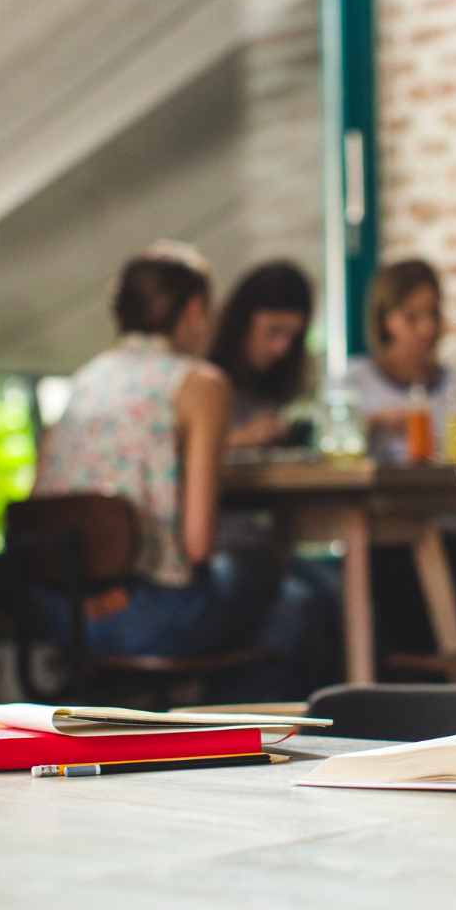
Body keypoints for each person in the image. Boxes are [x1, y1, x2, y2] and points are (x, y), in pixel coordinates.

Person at [32, 242, 331, 697]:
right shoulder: (199, 382)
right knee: (270, 567)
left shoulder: (84, 381)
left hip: (64, 617)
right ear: (194, 308)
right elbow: (197, 544)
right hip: (149, 618)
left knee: (290, 609)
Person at [347, 260, 456, 462]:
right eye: (411, 317)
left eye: (433, 313)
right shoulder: (354, 383)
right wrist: (374, 423)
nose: (428, 328)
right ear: (384, 321)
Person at [208, 261, 313, 448]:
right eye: (274, 331)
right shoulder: (203, 373)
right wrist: (241, 438)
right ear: (241, 321)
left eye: (293, 337)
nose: (282, 348)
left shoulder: (286, 384)